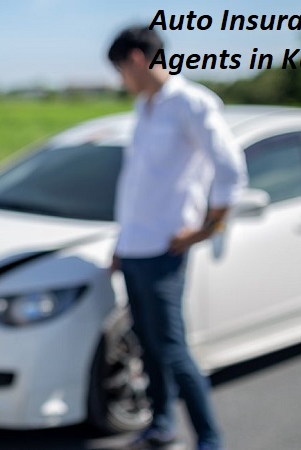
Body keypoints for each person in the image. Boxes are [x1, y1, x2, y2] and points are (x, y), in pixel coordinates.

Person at [106, 26, 247, 450]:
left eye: (120, 70)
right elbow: (138, 186)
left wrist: (208, 228)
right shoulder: (145, 108)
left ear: (135, 59)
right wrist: (120, 242)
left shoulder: (192, 103)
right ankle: (161, 424)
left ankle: (210, 438)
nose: (121, 81)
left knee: (173, 348)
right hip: (134, 248)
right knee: (148, 346)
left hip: (164, 251)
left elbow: (230, 169)